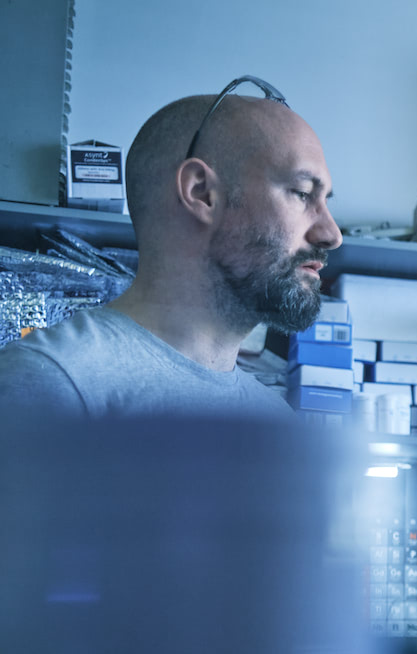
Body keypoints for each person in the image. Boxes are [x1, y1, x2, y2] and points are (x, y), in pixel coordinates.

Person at [0, 76, 341, 417]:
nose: (332, 234)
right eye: (302, 193)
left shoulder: (278, 423)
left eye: (325, 201)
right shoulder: (53, 384)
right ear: (201, 193)